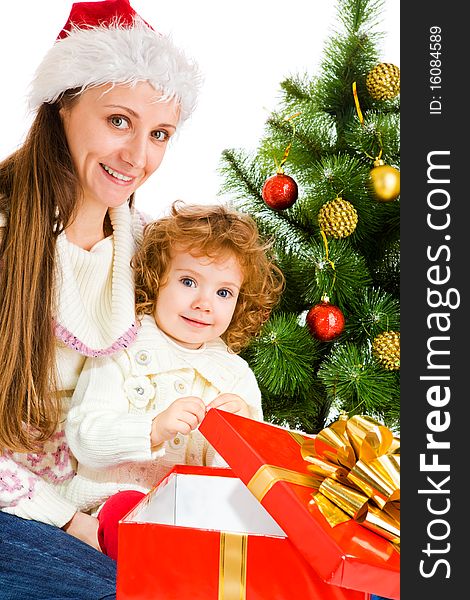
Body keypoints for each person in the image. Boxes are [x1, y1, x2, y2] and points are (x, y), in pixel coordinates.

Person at [0, 1, 201, 598]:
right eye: (119, 121)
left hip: (105, 502)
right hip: (24, 509)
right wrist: (66, 520)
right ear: (63, 102)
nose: (138, 157)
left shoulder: (141, 248)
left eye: (158, 134)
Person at [64, 201, 285, 560]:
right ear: (156, 279)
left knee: (247, 527)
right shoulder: (121, 346)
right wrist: (151, 429)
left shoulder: (235, 375)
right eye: (188, 281)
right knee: (128, 510)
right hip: (110, 509)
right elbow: (83, 437)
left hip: (195, 519)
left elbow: (246, 478)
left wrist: (239, 431)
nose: (204, 302)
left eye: (224, 292)